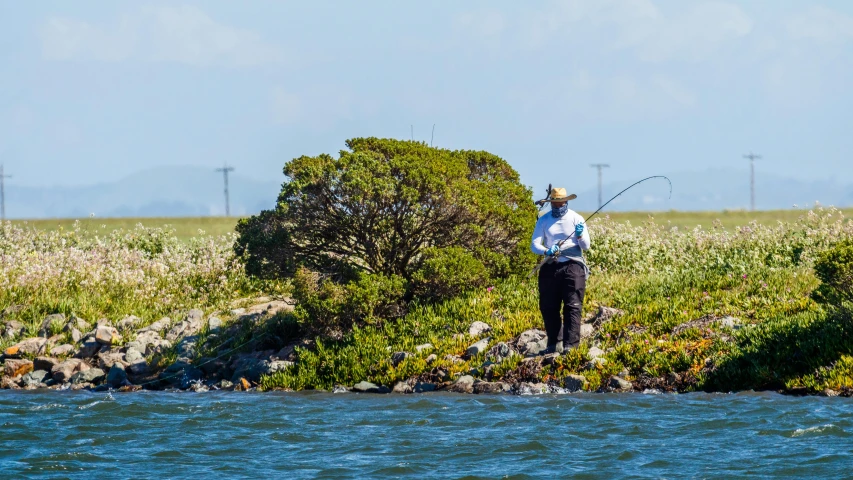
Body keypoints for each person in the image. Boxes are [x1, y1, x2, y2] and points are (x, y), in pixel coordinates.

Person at [530, 187, 591, 354]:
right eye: (555, 203)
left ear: (566, 201)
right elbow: (534, 244)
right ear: (551, 203)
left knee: (573, 306)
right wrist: (546, 251)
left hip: (573, 266)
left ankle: (571, 346)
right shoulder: (544, 220)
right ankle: (553, 344)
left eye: (560, 202)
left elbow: (586, 246)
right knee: (549, 306)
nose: (558, 206)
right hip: (551, 266)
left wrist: (579, 235)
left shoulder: (576, 218)